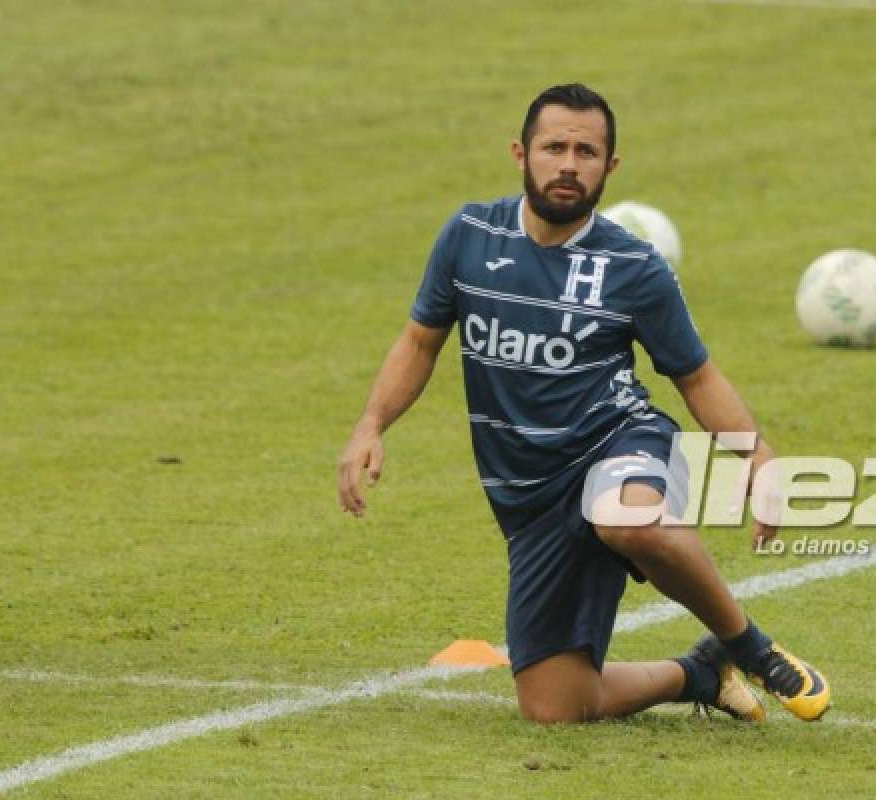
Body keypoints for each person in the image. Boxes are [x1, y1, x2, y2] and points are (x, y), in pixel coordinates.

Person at [338, 83, 830, 724]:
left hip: (619, 442)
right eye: (555, 147)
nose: (568, 163)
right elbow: (419, 341)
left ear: (610, 167)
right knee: (555, 707)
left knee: (626, 519)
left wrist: (756, 454)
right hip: (532, 500)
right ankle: (701, 672)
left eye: (586, 151)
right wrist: (371, 425)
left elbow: (697, 379)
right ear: (522, 153)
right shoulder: (468, 237)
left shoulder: (634, 267)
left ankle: (754, 649)